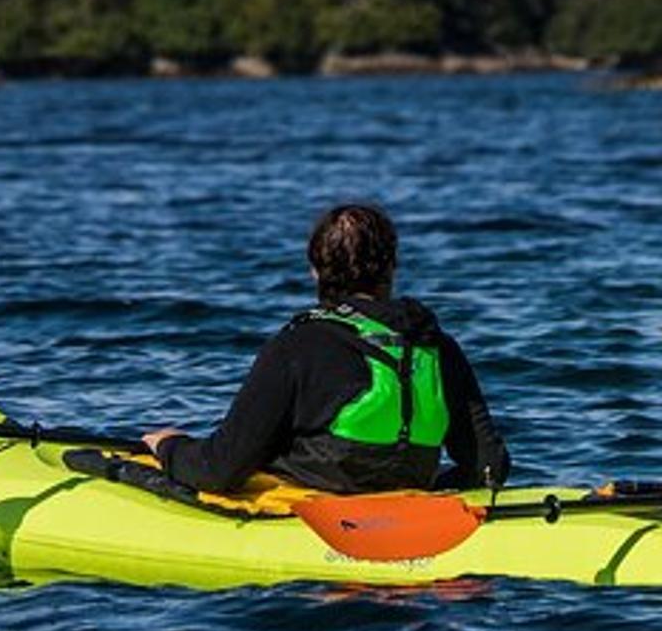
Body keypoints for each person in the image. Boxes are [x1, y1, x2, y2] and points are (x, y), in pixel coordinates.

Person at [142, 203, 511, 495]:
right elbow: (488, 466)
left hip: (318, 526)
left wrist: (169, 446)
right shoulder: (436, 345)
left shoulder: (298, 346)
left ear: (315, 271)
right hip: (408, 506)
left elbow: (219, 470)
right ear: (393, 267)